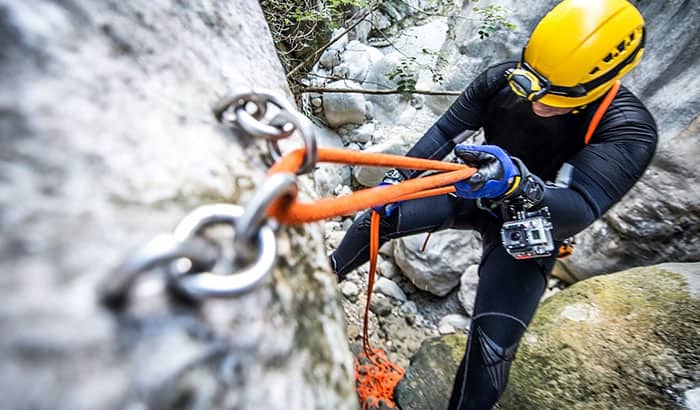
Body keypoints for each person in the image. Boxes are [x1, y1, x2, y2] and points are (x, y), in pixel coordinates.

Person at [329, 0, 658, 408]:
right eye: (534, 82)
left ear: (601, 83)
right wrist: (399, 180)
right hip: (474, 187)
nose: (538, 100)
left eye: (557, 94)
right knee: (379, 216)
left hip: (532, 226)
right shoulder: (504, 80)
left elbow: (578, 207)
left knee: (491, 355)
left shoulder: (627, 129)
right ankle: (322, 276)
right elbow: (448, 129)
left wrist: (519, 184)